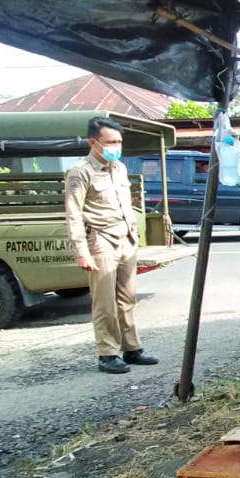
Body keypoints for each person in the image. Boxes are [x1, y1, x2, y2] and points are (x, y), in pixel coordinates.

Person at [65, 117, 159, 374]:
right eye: (110, 142)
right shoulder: (80, 171)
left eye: (118, 142)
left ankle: (132, 348)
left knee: (126, 300)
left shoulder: (118, 168)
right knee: (104, 302)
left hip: (125, 239)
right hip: (101, 241)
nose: (116, 147)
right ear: (93, 142)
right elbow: (73, 213)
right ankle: (107, 353)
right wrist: (81, 251)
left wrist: (134, 237)